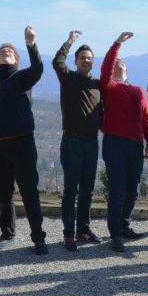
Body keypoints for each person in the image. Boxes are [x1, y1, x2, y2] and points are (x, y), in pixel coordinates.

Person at [0, 26, 48, 255]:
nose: (6, 52)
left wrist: (30, 43)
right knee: (4, 194)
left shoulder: (22, 78)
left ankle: (38, 236)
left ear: (16, 59)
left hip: (23, 144)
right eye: (2, 52)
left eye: (10, 51)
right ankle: (7, 234)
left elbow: (38, 68)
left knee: (30, 191)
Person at [101, 32, 148, 252]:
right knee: (117, 189)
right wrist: (117, 44)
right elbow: (105, 68)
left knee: (132, 189)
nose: (119, 65)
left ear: (128, 71)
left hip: (135, 145)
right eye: (116, 63)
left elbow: (146, 118)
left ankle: (125, 226)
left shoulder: (138, 90)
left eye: (123, 63)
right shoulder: (109, 87)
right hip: (114, 143)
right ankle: (115, 234)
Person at [52, 30, 103, 251]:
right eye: (82, 58)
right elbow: (57, 61)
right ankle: (68, 234)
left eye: (89, 58)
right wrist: (70, 41)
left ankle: (83, 229)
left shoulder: (99, 85)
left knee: (88, 191)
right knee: (71, 190)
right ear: (76, 61)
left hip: (92, 143)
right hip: (71, 142)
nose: (86, 61)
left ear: (93, 62)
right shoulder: (68, 78)